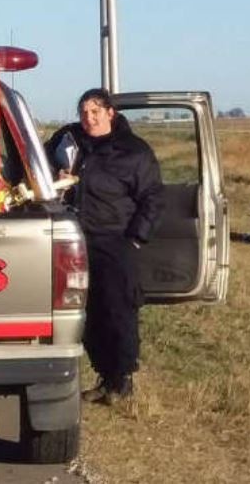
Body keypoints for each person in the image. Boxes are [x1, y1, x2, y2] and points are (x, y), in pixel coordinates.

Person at [46, 88, 164, 405]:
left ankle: (122, 379)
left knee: (118, 310)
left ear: (111, 113)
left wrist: (136, 238)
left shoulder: (134, 151)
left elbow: (152, 197)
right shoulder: (69, 141)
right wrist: (54, 176)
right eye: (84, 112)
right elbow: (37, 165)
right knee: (85, 313)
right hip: (73, 241)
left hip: (115, 241)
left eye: (95, 111)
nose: (89, 118)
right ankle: (103, 376)